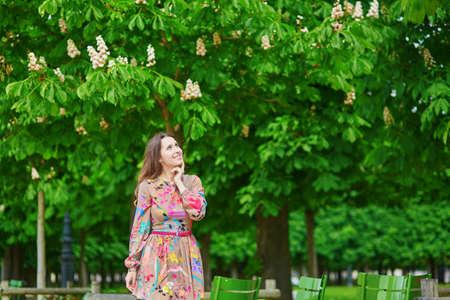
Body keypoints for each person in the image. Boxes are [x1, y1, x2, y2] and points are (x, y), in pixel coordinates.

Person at [124, 132, 207, 299]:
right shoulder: (148, 187)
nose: (177, 150)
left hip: (186, 253)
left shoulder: (192, 182)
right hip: (156, 255)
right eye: (169, 148)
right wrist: (132, 267)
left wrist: (179, 184)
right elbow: (140, 227)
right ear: (159, 158)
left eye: (177, 145)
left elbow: (198, 213)